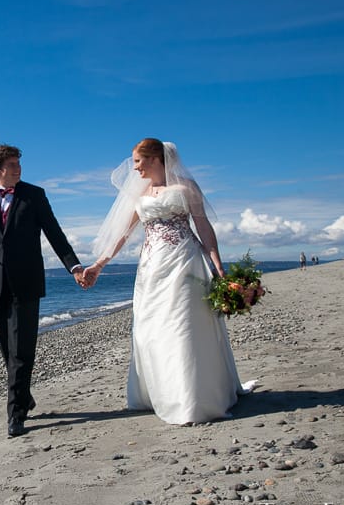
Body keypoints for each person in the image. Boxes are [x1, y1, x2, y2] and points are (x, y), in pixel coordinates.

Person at [81, 138, 254, 425]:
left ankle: (193, 399)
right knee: (152, 328)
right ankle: (160, 393)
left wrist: (218, 265)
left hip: (185, 263)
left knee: (184, 325)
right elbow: (122, 233)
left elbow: (203, 227)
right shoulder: (140, 194)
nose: (134, 168)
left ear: (155, 159)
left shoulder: (186, 187)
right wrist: (99, 264)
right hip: (152, 267)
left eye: (138, 161)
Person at [0, 144, 84, 437]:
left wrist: (74, 267)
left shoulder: (34, 195)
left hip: (27, 282)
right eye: (12, 165)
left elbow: (55, 234)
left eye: (19, 164)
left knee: (22, 351)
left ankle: (15, 415)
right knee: (7, 351)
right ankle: (24, 395)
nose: (18, 170)